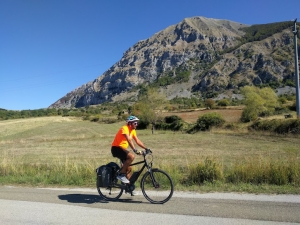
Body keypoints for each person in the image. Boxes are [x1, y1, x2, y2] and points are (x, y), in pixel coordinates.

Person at [111, 115, 148, 184]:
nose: (137, 124)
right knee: (131, 156)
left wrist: (146, 148)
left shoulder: (133, 130)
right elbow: (129, 140)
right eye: (135, 123)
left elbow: (137, 141)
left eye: (137, 123)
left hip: (122, 149)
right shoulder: (125, 128)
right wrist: (135, 150)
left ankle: (129, 187)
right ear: (130, 123)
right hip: (116, 148)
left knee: (128, 168)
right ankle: (121, 175)